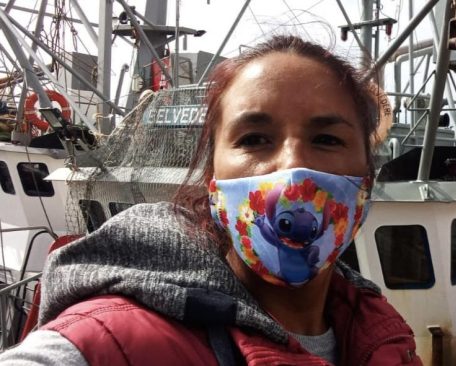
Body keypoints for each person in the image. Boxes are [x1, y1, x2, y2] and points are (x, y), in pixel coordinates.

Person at [0, 35, 420, 365]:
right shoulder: (113, 336)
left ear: (366, 180)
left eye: (327, 139)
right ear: (213, 181)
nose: (292, 169)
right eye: (254, 139)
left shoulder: (382, 334)